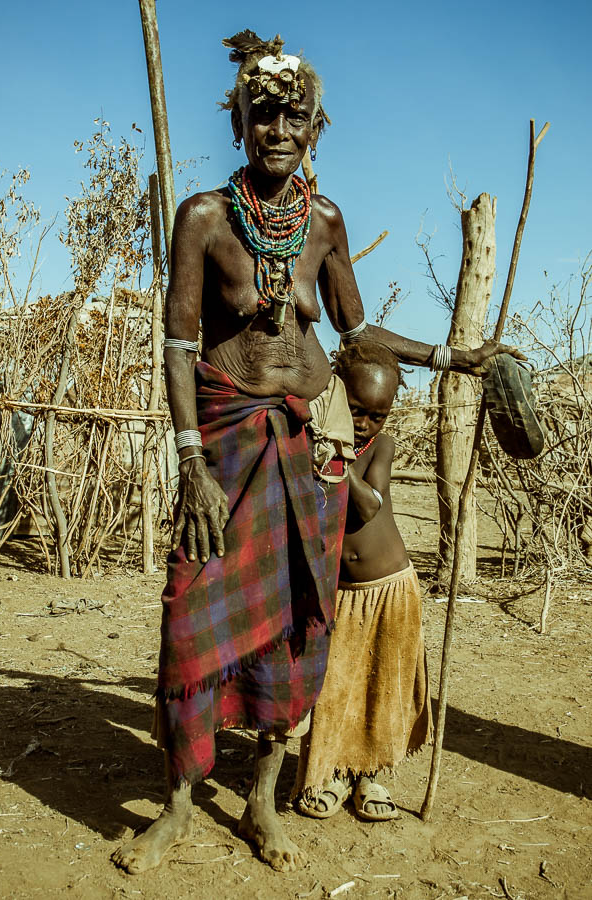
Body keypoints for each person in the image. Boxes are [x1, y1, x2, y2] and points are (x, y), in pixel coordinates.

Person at [112, 30, 520, 875]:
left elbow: (356, 330)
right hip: (223, 447)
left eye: (294, 117)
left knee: (297, 623)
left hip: (306, 445)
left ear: (316, 128)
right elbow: (180, 345)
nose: (279, 131)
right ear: (240, 123)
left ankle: (260, 800)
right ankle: (179, 804)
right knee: (190, 616)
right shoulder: (204, 218)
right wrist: (188, 457)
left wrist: (452, 355)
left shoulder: (326, 222)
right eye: (264, 115)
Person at [295, 342, 431, 820]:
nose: (364, 423)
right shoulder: (310, 444)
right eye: (354, 410)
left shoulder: (378, 448)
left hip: (390, 586)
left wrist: (334, 455)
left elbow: (369, 504)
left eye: (378, 414)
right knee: (335, 684)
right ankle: (329, 770)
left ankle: (369, 775)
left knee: (380, 687)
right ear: (335, 394)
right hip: (340, 591)